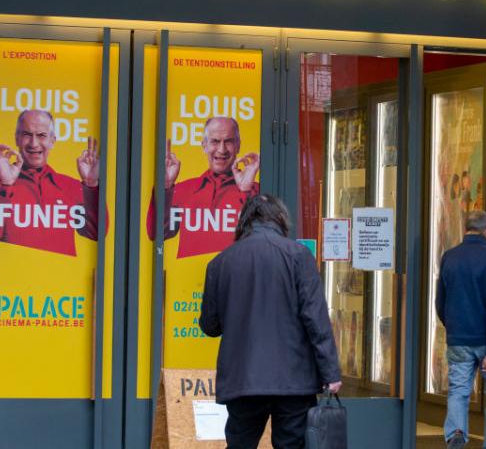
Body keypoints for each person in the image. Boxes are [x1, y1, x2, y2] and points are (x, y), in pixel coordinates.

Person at [200, 194, 341, 449]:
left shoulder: (220, 263)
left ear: (245, 221)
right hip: (294, 380)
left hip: (242, 379)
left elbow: (210, 326)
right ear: (280, 219)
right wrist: (330, 371)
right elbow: (316, 320)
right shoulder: (299, 256)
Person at [435, 210, 486, 449]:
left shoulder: (449, 257)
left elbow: (440, 302)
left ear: (465, 228)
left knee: (459, 390)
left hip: (459, 339)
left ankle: (456, 433)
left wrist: (453, 327)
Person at [0, 109, 104, 257]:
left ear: (52, 141)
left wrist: (91, 184)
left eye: (41, 135)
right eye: (27, 134)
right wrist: (6, 184)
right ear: (17, 138)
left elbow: (98, 233)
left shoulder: (72, 186)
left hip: (62, 278)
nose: (34, 143)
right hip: (12, 277)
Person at [146, 117, 260, 258]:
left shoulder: (255, 190)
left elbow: (262, 240)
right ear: (204, 146)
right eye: (215, 141)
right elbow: (156, 234)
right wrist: (165, 187)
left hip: (237, 277)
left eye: (228, 141)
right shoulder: (182, 189)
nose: (222, 149)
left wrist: (245, 191)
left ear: (238, 145)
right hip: (189, 277)